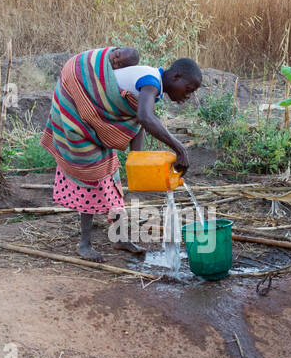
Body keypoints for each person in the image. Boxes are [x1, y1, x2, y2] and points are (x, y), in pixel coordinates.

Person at [40, 47, 200, 260]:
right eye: (188, 89)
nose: (187, 96)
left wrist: (138, 160)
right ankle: (84, 244)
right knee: (91, 177)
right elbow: (145, 117)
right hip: (80, 120)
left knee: (111, 178)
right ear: (176, 76)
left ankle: (120, 238)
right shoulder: (151, 81)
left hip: (92, 126)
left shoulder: (153, 87)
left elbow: (135, 121)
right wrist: (179, 148)